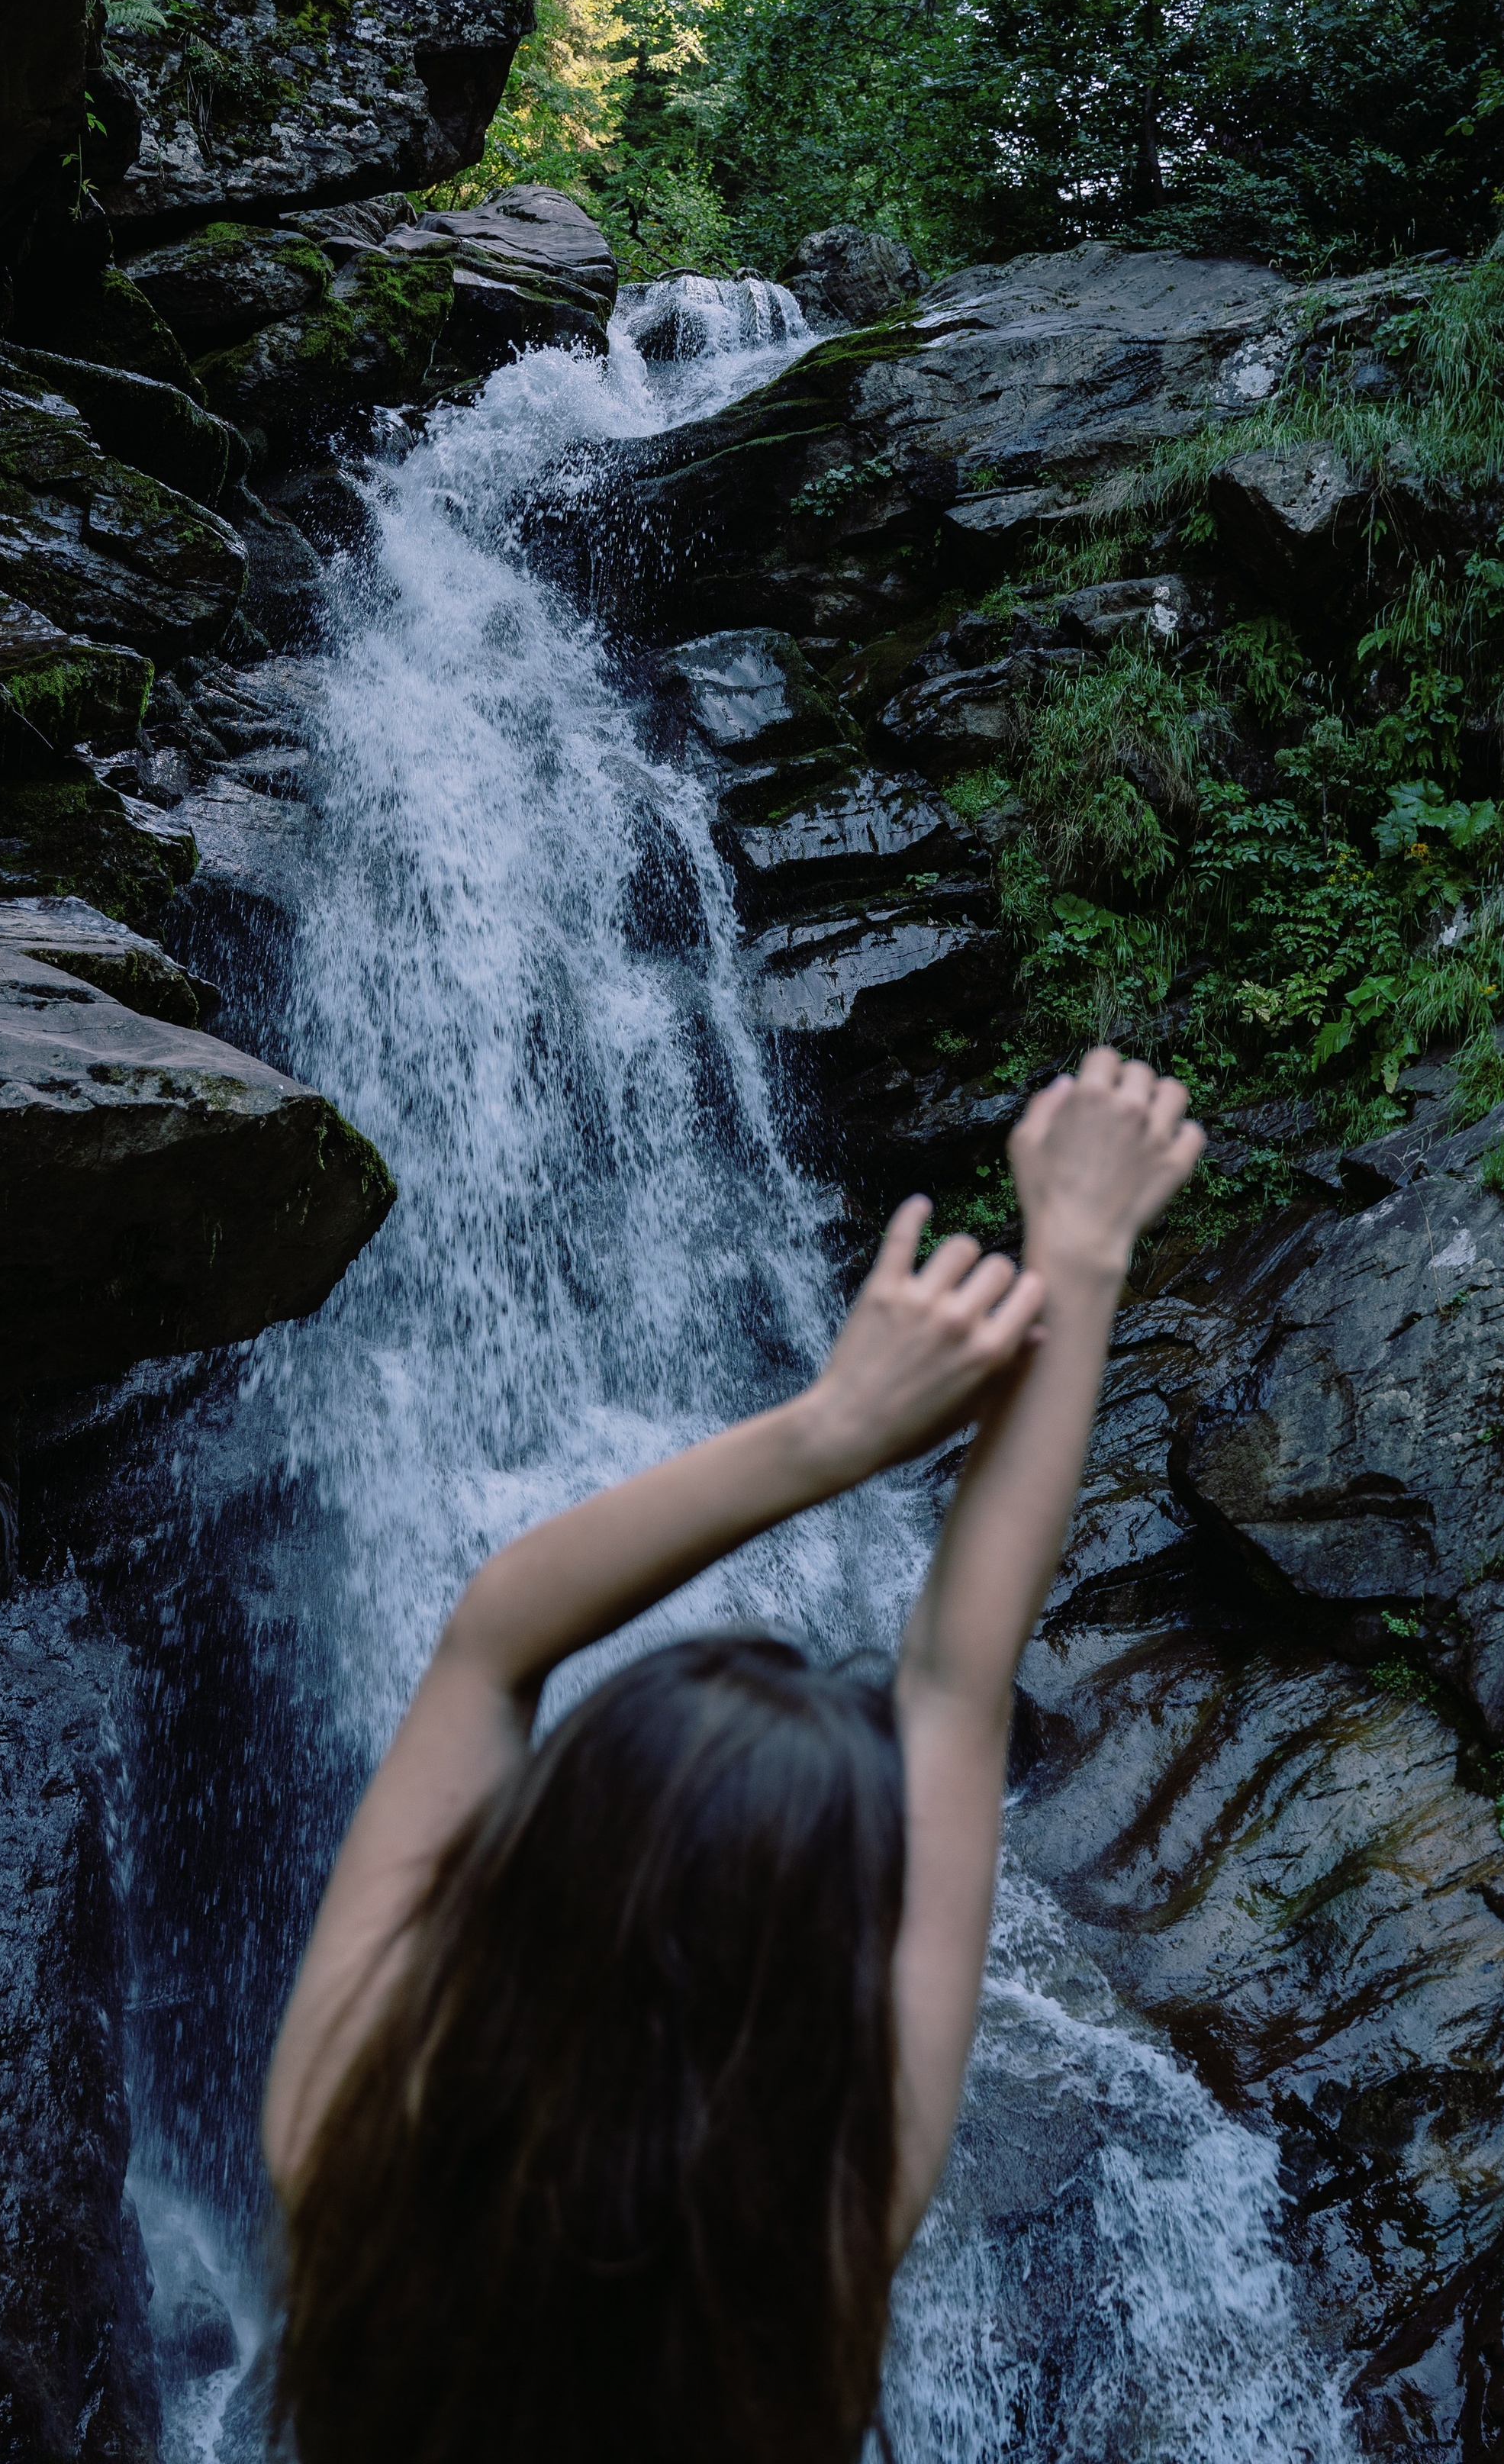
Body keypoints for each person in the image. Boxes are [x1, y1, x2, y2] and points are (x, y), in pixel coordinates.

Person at [263, 1048, 1203, 2464]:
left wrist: (829, 1430)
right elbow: (956, 1684)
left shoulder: (349, 2135)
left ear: (539, 1862)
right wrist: (1080, 1253)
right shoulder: (813, 2243)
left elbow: (490, 1642)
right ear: (821, 1993)